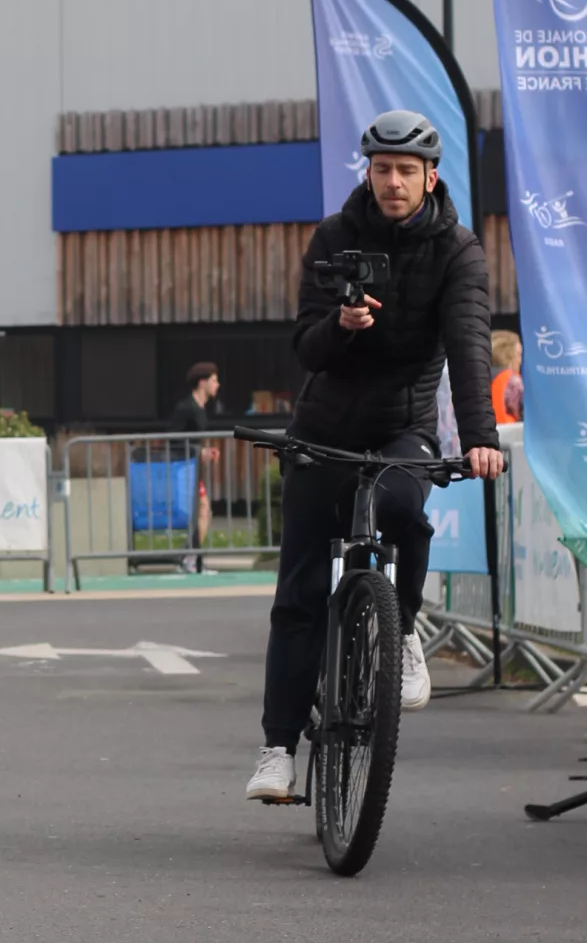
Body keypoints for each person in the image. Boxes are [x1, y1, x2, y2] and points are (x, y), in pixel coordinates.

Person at [247, 111, 504, 804]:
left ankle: (403, 630)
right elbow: (305, 348)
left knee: (402, 511)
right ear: (367, 171)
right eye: (382, 168)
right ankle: (277, 749)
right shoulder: (335, 235)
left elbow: (469, 346)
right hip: (323, 426)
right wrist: (340, 325)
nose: (392, 181)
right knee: (299, 593)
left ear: (430, 178)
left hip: (402, 425)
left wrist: (479, 437)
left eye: (406, 171)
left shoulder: (457, 251)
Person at [162, 360, 221, 564]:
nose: (217, 385)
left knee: (203, 512)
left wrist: (204, 451)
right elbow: (173, 438)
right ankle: (189, 557)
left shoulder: (201, 408)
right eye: (214, 380)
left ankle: (189, 555)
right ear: (202, 382)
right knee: (203, 511)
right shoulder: (186, 408)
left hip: (193, 467)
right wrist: (198, 451)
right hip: (182, 468)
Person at [490, 329, 524, 426]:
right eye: (519, 354)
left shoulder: (476, 376)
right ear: (509, 355)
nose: (520, 360)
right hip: (508, 432)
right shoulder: (513, 382)